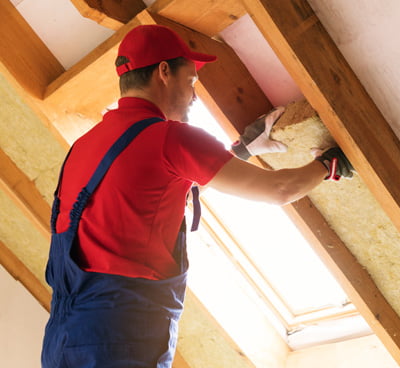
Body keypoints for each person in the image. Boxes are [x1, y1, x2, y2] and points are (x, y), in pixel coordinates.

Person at [41, 24, 353, 368]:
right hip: (120, 339)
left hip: (63, 341)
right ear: (163, 72)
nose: (192, 96)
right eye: (190, 81)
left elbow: (163, 191)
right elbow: (279, 190)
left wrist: (244, 150)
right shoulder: (170, 138)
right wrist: (328, 164)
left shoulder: (85, 145)